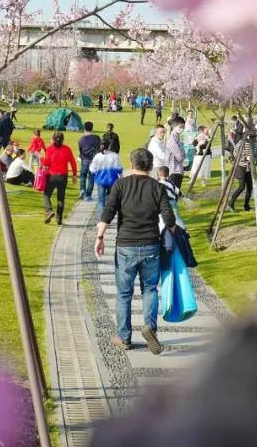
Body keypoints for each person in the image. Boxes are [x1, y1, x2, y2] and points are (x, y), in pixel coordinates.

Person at [95, 148, 175, 355]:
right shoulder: (158, 187)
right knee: (149, 289)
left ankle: (124, 337)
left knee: (124, 294)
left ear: (131, 165)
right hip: (150, 245)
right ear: (150, 167)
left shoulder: (121, 185)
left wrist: (100, 237)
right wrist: (172, 233)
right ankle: (150, 327)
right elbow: (170, 219)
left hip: (125, 246)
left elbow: (108, 211)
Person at [42, 132, 77, 225]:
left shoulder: (49, 149)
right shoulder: (67, 149)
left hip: (52, 176)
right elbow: (73, 162)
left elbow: (46, 163)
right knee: (60, 198)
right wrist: (74, 175)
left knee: (46, 195)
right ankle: (59, 219)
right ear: (62, 140)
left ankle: (49, 211)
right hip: (63, 177)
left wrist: (43, 163)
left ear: (53, 139)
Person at [89, 138, 122, 216]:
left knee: (101, 201)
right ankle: (109, 216)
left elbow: (92, 169)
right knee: (111, 201)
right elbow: (119, 168)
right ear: (109, 146)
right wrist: (121, 178)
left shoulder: (97, 156)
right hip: (112, 181)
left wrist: (97, 172)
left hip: (101, 181)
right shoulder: (114, 156)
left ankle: (102, 219)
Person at [78, 121, 101, 200]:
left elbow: (80, 151)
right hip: (93, 161)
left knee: (83, 176)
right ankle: (88, 195)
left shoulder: (81, 139)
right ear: (92, 128)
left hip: (84, 160)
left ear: (84, 128)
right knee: (91, 177)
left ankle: (82, 189)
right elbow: (100, 148)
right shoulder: (96, 138)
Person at [228, 146, 254, 213]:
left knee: (250, 187)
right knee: (241, 187)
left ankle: (246, 205)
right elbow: (234, 153)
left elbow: (253, 153)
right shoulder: (241, 142)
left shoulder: (253, 141)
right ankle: (231, 203)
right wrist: (244, 158)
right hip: (240, 167)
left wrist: (253, 159)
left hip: (248, 167)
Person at [164, 116, 187, 191]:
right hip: (173, 171)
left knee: (175, 195)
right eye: (181, 127)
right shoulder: (172, 139)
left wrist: (183, 153)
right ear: (174, 126)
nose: (182, 129)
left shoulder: (177, 138)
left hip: (178, 170)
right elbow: (180, 156)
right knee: (173, 196)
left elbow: (183, 154)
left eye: (183, 127)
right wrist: (183, 153)